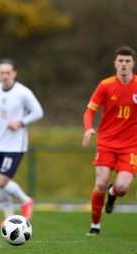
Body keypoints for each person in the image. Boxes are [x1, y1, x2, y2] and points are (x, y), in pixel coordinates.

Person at [0, 58, 43, 227]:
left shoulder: (23, 92)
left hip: (15, 145)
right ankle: (9, 216)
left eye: (8, 72)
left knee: (1, 181)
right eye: (2, 72)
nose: (5, 75)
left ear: (14, 73)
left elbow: (38, 112)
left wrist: (20, 122)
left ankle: (25, 200)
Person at [82, 45, 137, 236]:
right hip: (106, 143)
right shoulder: (105, 85)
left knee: (122, 187)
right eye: (120, 61)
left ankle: (113, 196)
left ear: (133, 64)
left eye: (127, 61)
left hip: (131, 146)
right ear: (115, 63)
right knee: (101, 183)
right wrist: (89, 128)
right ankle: (95, 226)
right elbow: (90, 111)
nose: (123, 64)